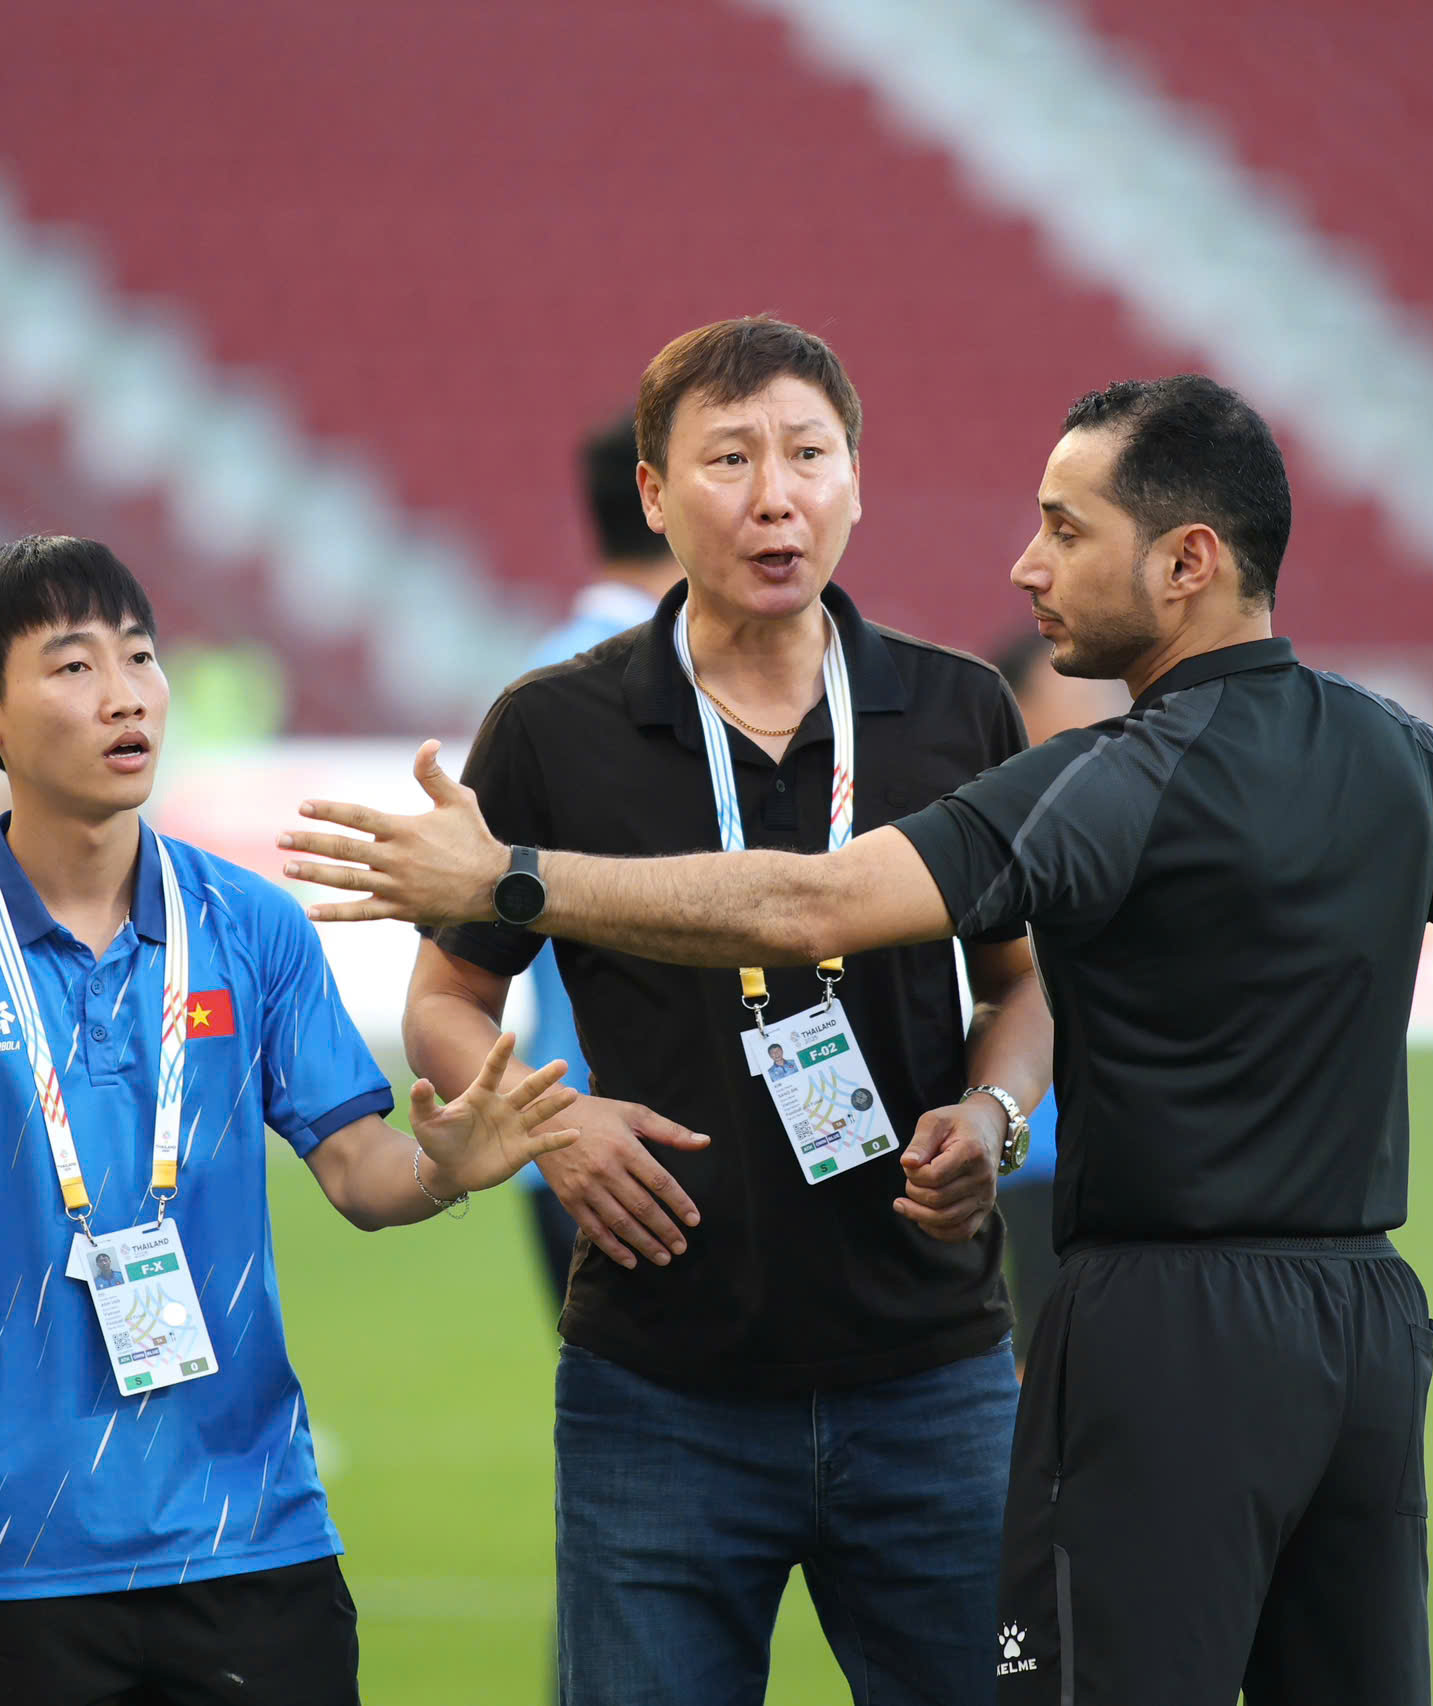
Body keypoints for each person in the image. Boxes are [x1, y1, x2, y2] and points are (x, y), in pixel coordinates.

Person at [283, 373, 1433, 1704]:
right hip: (1362, 1322)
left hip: (1144, 1330)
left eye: (1066, 530)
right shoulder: (1401, 748)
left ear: (1186, 561)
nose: (1027, 564)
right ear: (653, 492)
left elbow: (815, 900)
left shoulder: (1100, 776)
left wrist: (515, 878)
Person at [0, 535, 576, 1706]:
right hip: (10, 1551)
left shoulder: (253, 925)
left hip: (256, 1535)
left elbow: (360, 1169)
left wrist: (445, 1167)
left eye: (140, 656)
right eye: (71, 666)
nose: (124, 693)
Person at [397, 317, 1051, 1706]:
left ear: (857, 481)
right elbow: (446, 1000)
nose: (777, 496)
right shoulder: (554, 727)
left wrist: (995, 1113)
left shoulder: (956, 711)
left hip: (935, 1375)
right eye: (731, 459)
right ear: (651, 494)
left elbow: (1023, 979)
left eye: (810, 455)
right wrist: (552, 1125)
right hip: (660, 1390)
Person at [512, 414, 688, 1313]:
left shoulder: (535, 678)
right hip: (656, 1143)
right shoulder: (651, 684)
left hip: (566, 1124)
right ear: (666, 501)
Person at [987, 635, 1126, 1360]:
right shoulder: (986, 830)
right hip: (1025, 1151)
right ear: (1017, 709)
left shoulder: (1122, 818)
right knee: (1028, 1363)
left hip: (1119, 1153)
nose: (1103, 711)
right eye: (1078, 689)